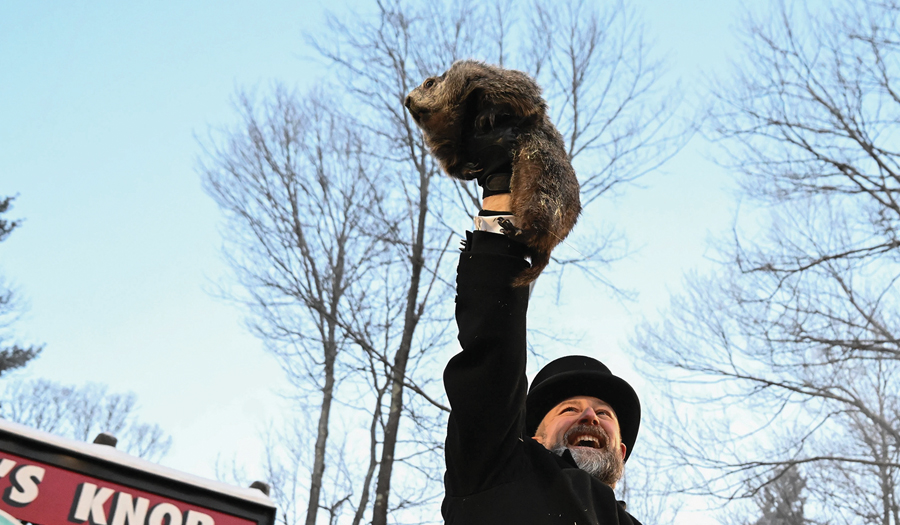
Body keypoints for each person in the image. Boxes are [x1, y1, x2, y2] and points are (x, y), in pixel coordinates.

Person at [441, 126, 643, 524]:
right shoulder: (498, 473)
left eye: (604, 414)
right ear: (533, 437)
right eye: (569, 408)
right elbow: (492, 364)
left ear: (620, 453)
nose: (589, 416)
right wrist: (503, 203)